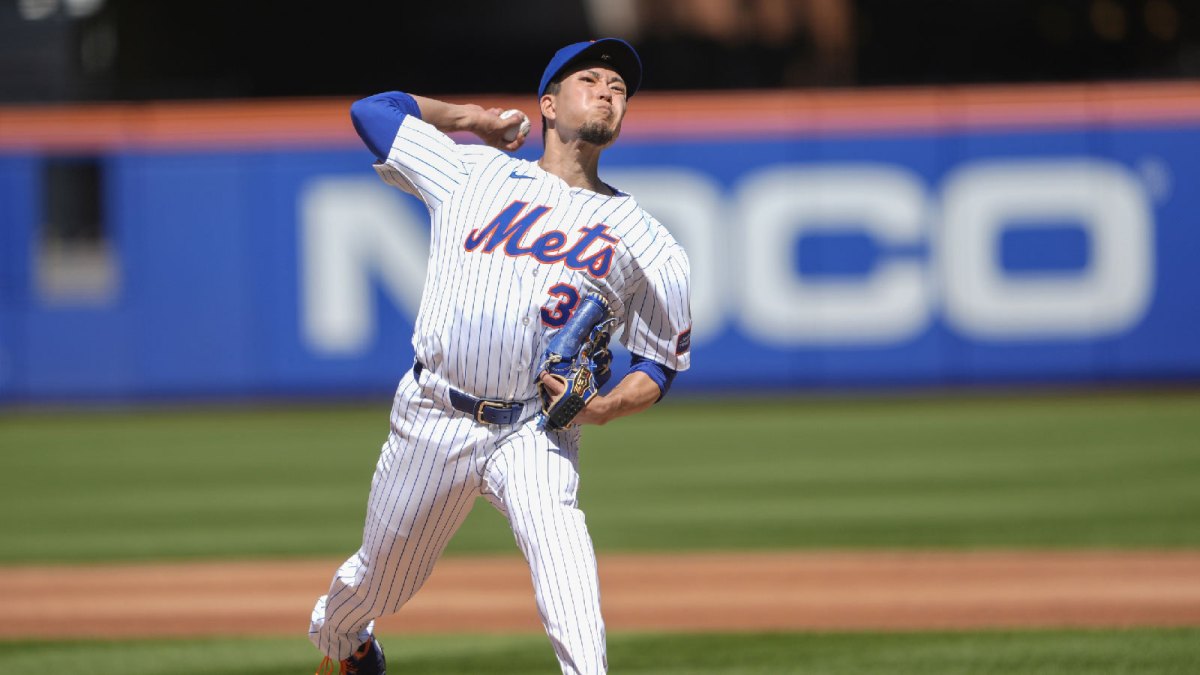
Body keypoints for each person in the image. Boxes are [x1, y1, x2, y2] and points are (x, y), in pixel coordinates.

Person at [309, 38, 692, 675]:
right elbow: (373, 112)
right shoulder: (474, 171)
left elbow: (659, 365)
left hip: (537, 431)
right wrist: (471, 120)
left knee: (569, 582)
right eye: (591, 79)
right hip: (434, 417)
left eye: (620, 88)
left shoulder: (649, 241)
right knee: (378, 583)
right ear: (547, 103)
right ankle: (346, 642)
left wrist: (601, 409)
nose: (608, 91)